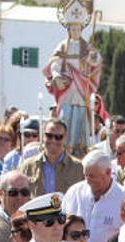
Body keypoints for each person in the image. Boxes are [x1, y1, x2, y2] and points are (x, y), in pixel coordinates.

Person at [42, 17, 102, 154]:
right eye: (73, 29)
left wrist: (93, 58)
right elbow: (55, 63)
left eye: (78, 29)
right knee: (66, 114)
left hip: (81, 84)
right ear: (69, 30)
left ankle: (78, 146)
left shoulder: (86, 47)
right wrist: (56, 75)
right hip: (68, 84)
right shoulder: (63, 46)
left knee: (80, 115)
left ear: (81, 30)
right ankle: (64, 146)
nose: (75, 32)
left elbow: (96, 62)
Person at [61, 150, 125, 242]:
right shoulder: (74, 192)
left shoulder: (123, 199)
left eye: (92, 176)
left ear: (108, 172)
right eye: (85, 175)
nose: (87, 181)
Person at [19, 119, 84, 197]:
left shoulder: (79, 168)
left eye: (58, 137)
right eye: (49, 136)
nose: (53, 140)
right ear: (43, 136)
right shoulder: (27, 167)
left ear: (65, 138)